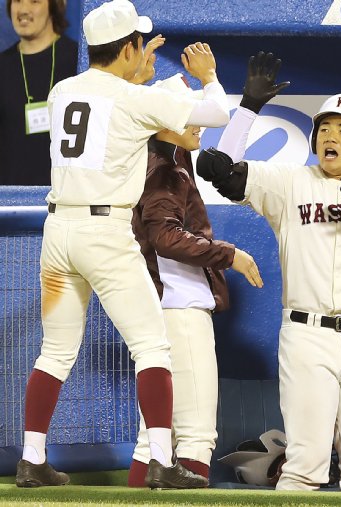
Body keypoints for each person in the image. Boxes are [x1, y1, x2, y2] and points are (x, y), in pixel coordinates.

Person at [15, 0, 231, 489]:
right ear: (130, 46)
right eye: (139, 43)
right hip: (104, 233)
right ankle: (160, 461)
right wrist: (207, 75)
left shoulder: (62, 89)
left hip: (58, 233)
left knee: (54, 352)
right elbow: (214, 111)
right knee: (153, 346)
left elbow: (113, 105)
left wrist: (144, 76)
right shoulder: (133, 100)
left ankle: (32, 458)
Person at [196, 93, 341, 492]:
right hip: (307, 334)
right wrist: (248, 108)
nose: (330, 136)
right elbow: (220, 170)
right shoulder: (290, 182)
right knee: (303, 468)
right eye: (324, 128)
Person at [127, 52, 286, 487]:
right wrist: (228, 253)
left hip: (160, 304)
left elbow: (220, 161)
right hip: (178, 307)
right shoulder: (163, 168)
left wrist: (248, 108)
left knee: (156, 437)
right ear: (164, 121)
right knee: (196, 434)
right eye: (189, 116)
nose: (200, 122)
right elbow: (163, 235)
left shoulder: (165, 157)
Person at [0, 0, 78, 185]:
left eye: (34, 1)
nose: (23, 10)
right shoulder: (3, 66)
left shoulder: (77, 61)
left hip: (66, 198)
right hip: (10, 201)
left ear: (55, 5)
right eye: (17, 1)